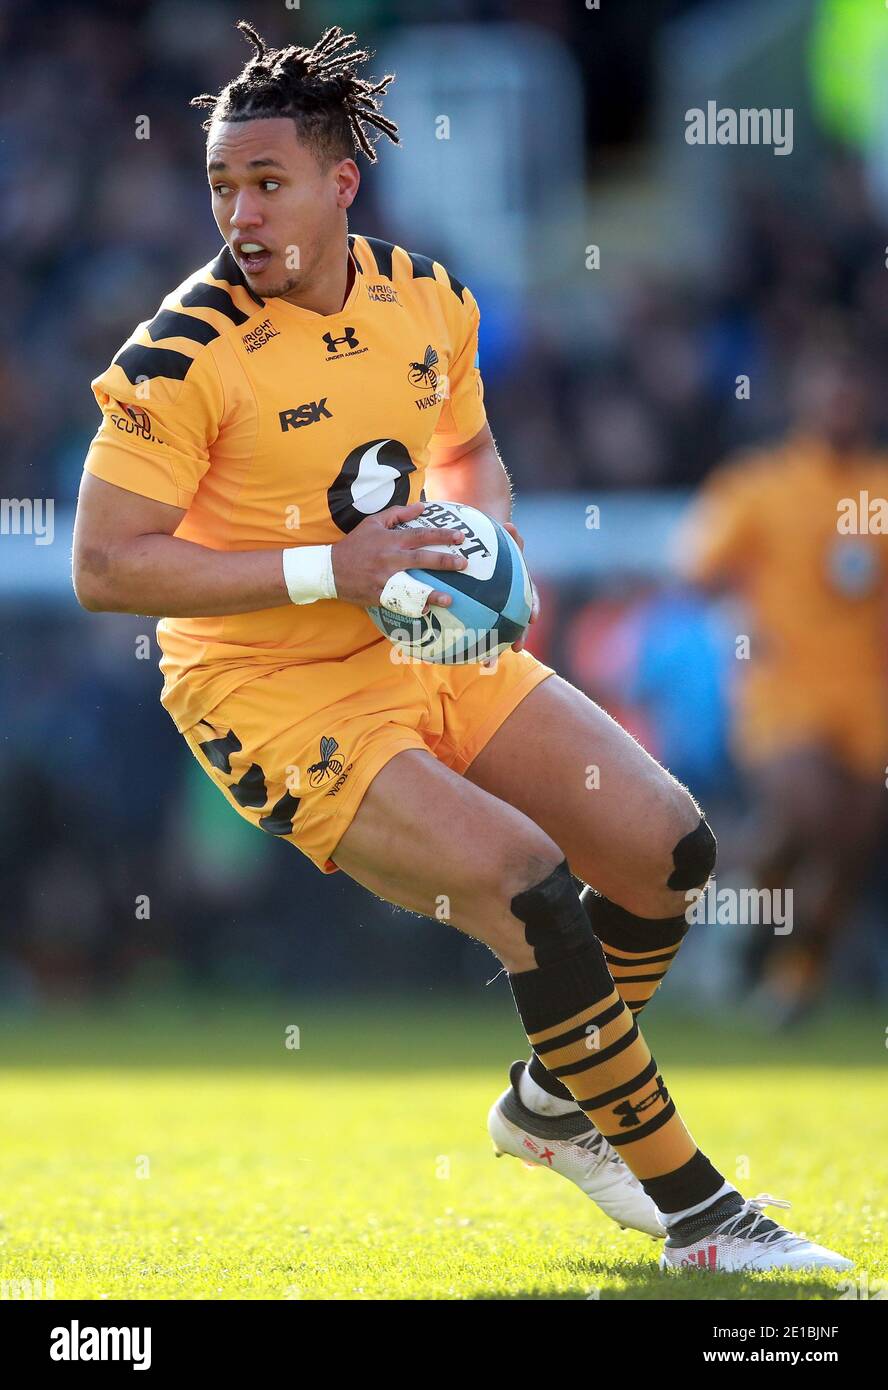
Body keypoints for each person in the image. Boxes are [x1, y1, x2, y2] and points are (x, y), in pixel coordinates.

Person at [72, 21, 849, 1273]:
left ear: (342, 183)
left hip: (420, 643)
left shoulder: (428, 298)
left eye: (267, 183)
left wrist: (481, 539)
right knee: (531, 887)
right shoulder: (179, 352)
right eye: (221, 185)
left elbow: (468, 452)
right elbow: (104, 565)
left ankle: (551, 1107)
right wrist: (339, 566)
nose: (240, 212)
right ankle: (704, 1221)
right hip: (265, 688)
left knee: (669, 848)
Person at [679, 343, 888, 1026]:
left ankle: (797, 973)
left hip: (868, 692)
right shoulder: (760, 485)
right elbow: (697, 571)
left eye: (852, 392)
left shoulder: (881, 487)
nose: (841, 405)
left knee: (852, 840)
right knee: (811, 807)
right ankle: (744, 927)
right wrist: (740, 622)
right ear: (804, 400)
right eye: (829, 391)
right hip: (784, 691)